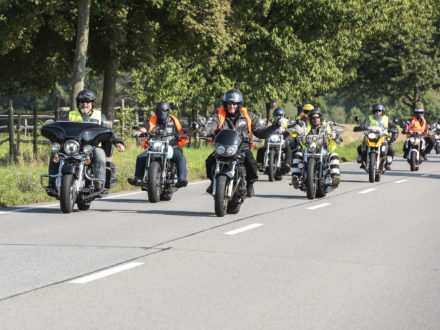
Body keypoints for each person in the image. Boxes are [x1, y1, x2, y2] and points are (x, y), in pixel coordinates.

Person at [200, 89, 279, 197]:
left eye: (234, 104)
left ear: (239, 104)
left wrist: (274, 126)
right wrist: (205, 131)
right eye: (229, 103)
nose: (231, 106)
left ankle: (250, 185)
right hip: (223, 147)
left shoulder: (248, 116)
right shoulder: (219, 114)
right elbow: (211, 124)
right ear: (225, 104)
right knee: (210, 161)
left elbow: (260, 131)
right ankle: (213, 182)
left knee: (251, 163)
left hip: (242, 147)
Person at [49, 89, 125, 191]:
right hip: (72, 147)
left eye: (88, 101)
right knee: (55, 154)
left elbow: (109, 130)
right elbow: (59, 125)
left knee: (100, 155)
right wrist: (51, 126)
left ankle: (98, 184)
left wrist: (118, 142)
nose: (85, 104)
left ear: (92, 103)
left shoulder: (99, 116)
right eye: (82, 101)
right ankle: (52, 183)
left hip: (91, 148)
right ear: (78, 103)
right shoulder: (71, 115)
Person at [128, 101, 190, 188]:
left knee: (181, 157)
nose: (162, 112)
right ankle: (138, 178)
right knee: (140, 157)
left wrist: (193, 128)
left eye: (165, 110)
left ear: (168, 111)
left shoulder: (175, 121)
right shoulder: (151, 121)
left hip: (172, 146)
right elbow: (144, 128)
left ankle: (182, 179)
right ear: (157, 111)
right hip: (154, 147)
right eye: (160, 110)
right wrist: (138, 133)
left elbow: (187, 129)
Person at [291, 109, 341, 189]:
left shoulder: (326, 127)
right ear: (310, 119)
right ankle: (295, 178)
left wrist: (334, 135)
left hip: (324, 152)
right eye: (313, 118)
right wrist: (298, 133)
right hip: (308, 152)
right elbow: (297, 133)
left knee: (334, 155)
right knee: (298, 154)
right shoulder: (306, 128)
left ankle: (335, 177)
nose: (315, 119)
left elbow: (340, 141)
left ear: (320, 118)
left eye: (317, 117)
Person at [356, 103, 398, 170]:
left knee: (392, 149)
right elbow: (364, 124)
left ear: (382, 111)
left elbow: (393, 126)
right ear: (373, 111)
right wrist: (360, 127)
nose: (378, 112)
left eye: (379, 111)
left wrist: (393, 131)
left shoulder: (387, 119)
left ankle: (387, 163)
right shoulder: (369, 117)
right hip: (371, 135)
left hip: (383, 137)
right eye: (376, 111)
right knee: (360, 147)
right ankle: (363, 161)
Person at [256, 107, 292, 178]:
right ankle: (260, 164)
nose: (279, 116)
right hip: (272, 139)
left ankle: (287, 164)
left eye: (281, 115)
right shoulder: (271, 121)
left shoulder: (286, 121)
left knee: (288, 148)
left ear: (283, 115)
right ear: (274, 115)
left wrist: (290, 129)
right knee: (261, 150)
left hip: (282, 140)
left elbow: (290, 126)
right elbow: (266, 127)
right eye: (277, 115)